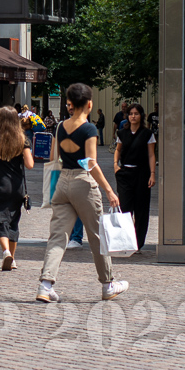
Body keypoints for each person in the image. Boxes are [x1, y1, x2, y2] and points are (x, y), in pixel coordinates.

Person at [37, 82, 127, 303]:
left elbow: (54, 157)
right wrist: (109, 190)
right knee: (97, 236)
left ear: (71, 103)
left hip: (62, 183)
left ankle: (45, 285)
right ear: (88, 104)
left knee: (57, 237)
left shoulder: (60, 126)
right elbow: (90, 162)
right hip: (83, 183)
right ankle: (107, 284)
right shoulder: (89, 129)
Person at [0, 106, 34, 271]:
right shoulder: (22, 139)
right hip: (17, 187)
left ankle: (6, 252)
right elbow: (30, 165)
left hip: (0, 185)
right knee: (14, 222)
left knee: (1, 220)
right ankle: (13, 258)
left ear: (0, 120)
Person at [113, 103, 157, 251]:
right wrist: (115, 165)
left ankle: (137, 243)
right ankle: (125, 241)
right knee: (125, 208)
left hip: (142, 174)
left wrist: (152, 174)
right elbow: (118, 150)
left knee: (141, 209)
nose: (133, 116)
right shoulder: (122, 133)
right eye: (131, 114)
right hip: (125, 173)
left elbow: (151, 154)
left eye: (136, 114)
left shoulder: (147, 134)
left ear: (141, 116)